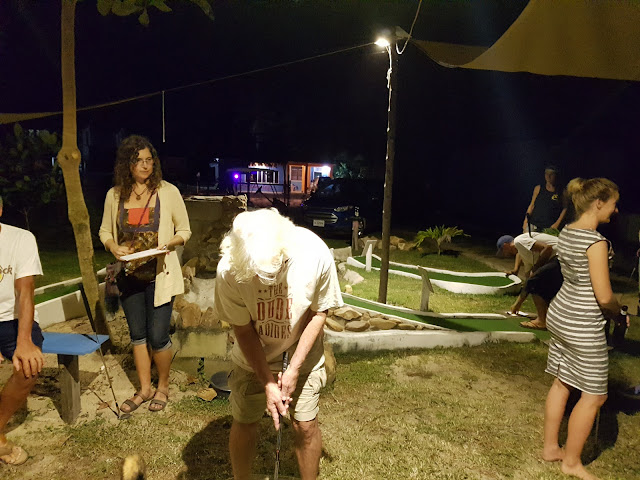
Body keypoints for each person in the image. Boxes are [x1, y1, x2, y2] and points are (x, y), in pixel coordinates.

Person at [213, 208, 342, 480]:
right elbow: (243, 330)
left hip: (302, 349)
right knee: (245, 421)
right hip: (252, 356)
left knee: (305, 425)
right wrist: (268, 382)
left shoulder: (315, 254)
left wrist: (294, 368)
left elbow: (319, 313)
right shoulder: (228, 271)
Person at [542, 177, 628, 480]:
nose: (616, 210)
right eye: (614, 204)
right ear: (599, 203)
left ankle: (551, 448)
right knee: (594, 396)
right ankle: (571, 462)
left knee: (562, 382)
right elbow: (604, 297)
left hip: (560, 314)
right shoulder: (595, 242)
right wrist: (619, 314)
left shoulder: (567, 232)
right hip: (582, 324)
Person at [99, 135, 191, 415]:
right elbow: (104, 231)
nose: (145, 165)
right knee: (138, 335)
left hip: (160, 274)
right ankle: (145, 388)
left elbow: (184, 230)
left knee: (158, 334)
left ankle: (162, 386)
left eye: (149, 160)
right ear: (127, 164)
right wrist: (113, 246)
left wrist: (170, 244)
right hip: (128, 275)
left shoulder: (168, 192)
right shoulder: (115, 195)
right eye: (138, 160)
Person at [0, 194, 45, 465]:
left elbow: (25, 291)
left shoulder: (21, 239)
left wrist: (24, 340)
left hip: (12, 318)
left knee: (29, 367)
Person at [497, 232, 562, 330]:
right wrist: (517, 304)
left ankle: (541, 321)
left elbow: (548, 248)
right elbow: (528, 282)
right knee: (540, 285)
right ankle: (548, 318)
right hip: (562, 258)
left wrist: (536, 268)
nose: (505, 255)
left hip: (560, 255)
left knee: (536, 282)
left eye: (503, 251)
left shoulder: (519, 241)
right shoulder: (526, 255)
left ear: (505, 246)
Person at [523, 166, 567, 232]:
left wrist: (557, 224)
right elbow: (532, 205)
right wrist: (526, 221)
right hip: (534, 224)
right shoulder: (538, 188)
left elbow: (565, 208)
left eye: (551, 174)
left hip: (549, 226)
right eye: (546, 174)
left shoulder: (562, 191)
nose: (548, 176)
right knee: (526, 237)